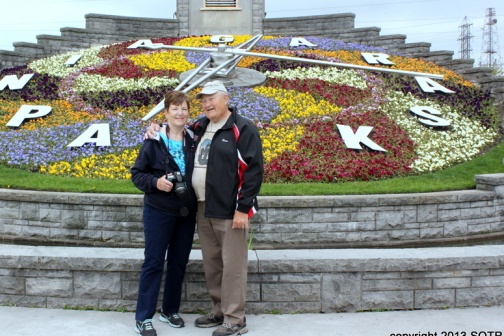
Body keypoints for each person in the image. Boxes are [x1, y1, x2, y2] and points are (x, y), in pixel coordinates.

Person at [145, 80, 264, 336]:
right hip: (202, 206)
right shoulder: (200, 126)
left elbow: (253, 171)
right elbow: (174, 127)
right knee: (213, 263)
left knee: (233, 265)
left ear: (225, 99)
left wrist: (243, 209)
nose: (207, 103)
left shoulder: (242, 129)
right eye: (203, 100)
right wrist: (155, 127)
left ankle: (235, 318)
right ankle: (219, 310)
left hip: (230, 210)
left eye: (212, 98)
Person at [131, 90, 197, 336]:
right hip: (159, 210)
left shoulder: (195, 138)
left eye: (184, 108)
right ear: (166, 112)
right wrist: (155, 183)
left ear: (189, 112)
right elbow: (137, 174)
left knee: (179, 263)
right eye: (175, 108)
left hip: (186, 211)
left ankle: (169, 310)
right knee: (154, 262)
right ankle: (143, 318)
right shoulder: (153, 140)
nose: (180, 113)